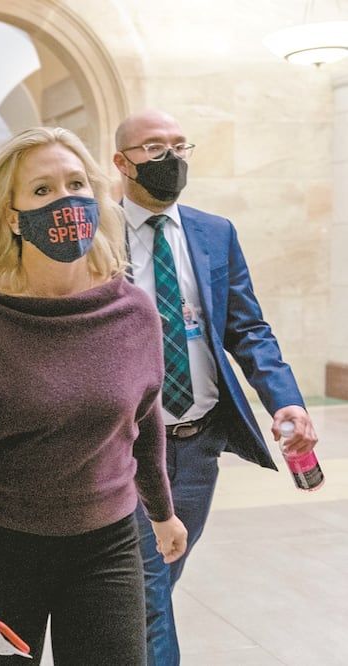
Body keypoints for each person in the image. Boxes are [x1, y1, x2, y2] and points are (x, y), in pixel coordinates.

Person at [0, 126, 188, 666]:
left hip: (108, 544)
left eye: (76, 184)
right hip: (6, 546)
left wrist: (162, 512)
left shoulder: (134, 311)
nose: (65, 201)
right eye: (42, 190)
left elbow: (143, 421)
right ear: (13, 217)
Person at [112, 109, 320, 665]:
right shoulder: (99, 237)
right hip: (128, 445)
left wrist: (286, 401)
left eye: (180, 145)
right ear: (121, 162)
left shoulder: (214, 232)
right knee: (147, 591)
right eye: (154, 148)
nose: (171, 158)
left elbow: (247, 328)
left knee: (158, 577)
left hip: (197, 444)